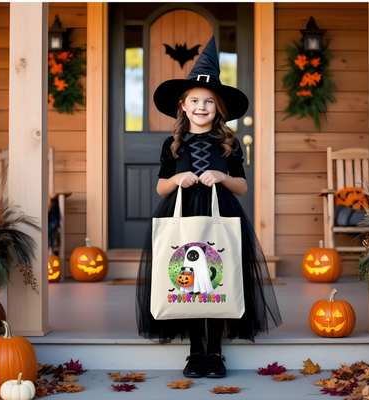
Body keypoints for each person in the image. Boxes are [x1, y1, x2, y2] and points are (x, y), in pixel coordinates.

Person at [136, 36, 282, 379]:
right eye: (194, 101)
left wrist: (221, 175)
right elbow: (160, 185)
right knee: (187, 283)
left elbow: (242, 186)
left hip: (222, 215)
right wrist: (178, 179)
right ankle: (194, 351)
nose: (202, 107)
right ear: (183, 106)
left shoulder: (227, 143)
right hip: (183, 213)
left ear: (219, 108)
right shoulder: (172, 144)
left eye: (209, 102)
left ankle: (215, 350)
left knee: (217, 280)